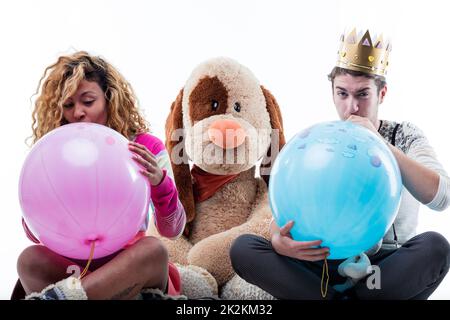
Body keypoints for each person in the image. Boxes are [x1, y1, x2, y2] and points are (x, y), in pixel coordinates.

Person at [230, 29, 450, 299]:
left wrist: (381, 145)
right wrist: (278, 239)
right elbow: (290, 208)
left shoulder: (403, 135)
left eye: (363, 95)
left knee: (436, 247)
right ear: (332, 92)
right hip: (323, 262)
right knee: (243, 249)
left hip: (384, 271)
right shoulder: (321, 141)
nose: (351, 107)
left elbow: (441, 197)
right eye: (342, 93)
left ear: (382, 93)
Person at [12, 51, 187, 300]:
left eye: (88, 101)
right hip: (73, 270)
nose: (78, 113)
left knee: (154, 249)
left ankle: (62, 297)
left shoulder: (145, 146)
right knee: (29, 260)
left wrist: (160, 182)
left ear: (108, 100)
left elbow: (173, 229)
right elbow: (38, 235)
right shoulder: (53, 154)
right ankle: (77, 294)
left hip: (130, 271)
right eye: (69, 105)